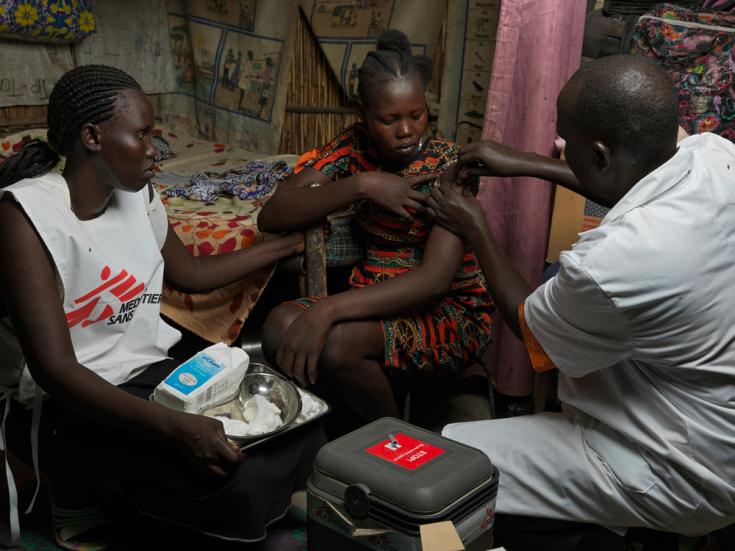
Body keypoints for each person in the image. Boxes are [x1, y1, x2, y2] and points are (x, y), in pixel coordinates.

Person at [0, 65, 324, 549]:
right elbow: (54, 370)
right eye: (143, 135)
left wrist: (279, 248)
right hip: (62, 406)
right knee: (231, 473)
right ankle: (74, 487)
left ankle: (133, 491)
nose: (156, 151)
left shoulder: (139, 195)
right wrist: (179, 427)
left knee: (294, 433)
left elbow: (190, 274)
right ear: (92, 136)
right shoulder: (26, 216)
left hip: (145, 375)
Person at [426, 55, 735, 548]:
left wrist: (475, 227)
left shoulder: (615, 261)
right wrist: (529, 164)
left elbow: (532, 332)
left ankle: (591, 530)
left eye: (564, 140)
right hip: (711, 410)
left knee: (446, 466)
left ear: (601, 156)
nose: (560, 145)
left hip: (685, 467)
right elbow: (635, 185)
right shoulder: (714, 155)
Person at [258, 30, 493, 424]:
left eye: (417, 115)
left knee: (333, 342)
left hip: (446, 314)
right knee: (278, 326)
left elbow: (434, 280)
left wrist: (327, 310)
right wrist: (362, 185)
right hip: (371, 300)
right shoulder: (353, 147)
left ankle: (391, 439)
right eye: (389, 119)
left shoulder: (450, 166)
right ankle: (336, 425)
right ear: (365, 117)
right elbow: (273, 213)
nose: (406, 130)